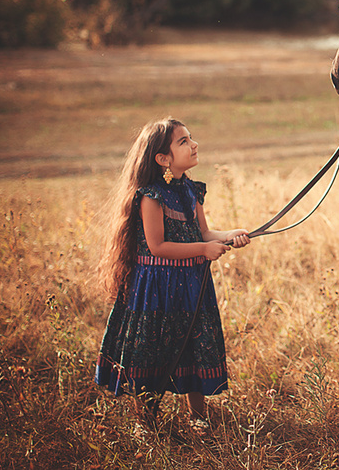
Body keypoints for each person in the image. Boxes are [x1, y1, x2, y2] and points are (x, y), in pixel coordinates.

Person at [95, 117, 249, 429]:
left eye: (191, 138)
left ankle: (198, 417)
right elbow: (158, 246)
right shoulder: (151, 196)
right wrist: (204, 251)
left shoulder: (191, 190)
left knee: (193, 345)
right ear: (163, 159)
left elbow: (203, 233)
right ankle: (146, 422)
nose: (194, 145)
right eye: (184, 142)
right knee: (150, 352)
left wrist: (231, 234)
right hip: (157, 288)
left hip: (191, 284)